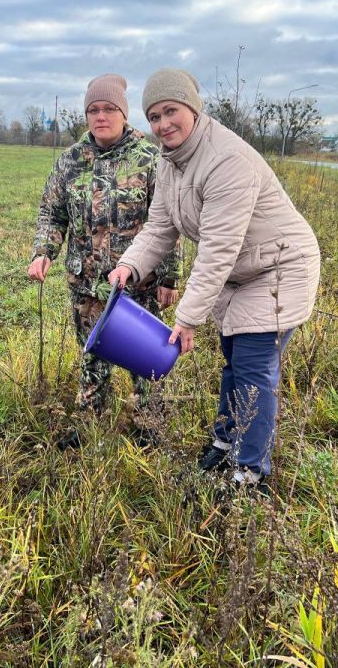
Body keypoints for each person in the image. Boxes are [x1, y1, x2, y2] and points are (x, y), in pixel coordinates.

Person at [109, 69, 320, 493]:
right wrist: (128, 266)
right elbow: (158, 229)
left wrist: (185, 319)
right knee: (232, 360)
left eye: (171, 111)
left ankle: (250, 472)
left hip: (279, 270)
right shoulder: (172, 163)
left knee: (253, 371)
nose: (163, 124)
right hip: (242, 273)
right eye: (154, 116)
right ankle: (226, 442)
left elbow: (218, 250)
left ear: (193, 108)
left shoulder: (227, 160)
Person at [28, 73, 181, 449]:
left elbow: (167, 223)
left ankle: (148, 427)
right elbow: (52, 212)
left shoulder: (150, 159)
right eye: (93, 109)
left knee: (143, 357)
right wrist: (43, 251)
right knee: (92, 355)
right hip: (86, 282)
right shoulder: (70, 161)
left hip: (137, 283)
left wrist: (169, 277)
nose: (101, 116)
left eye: (109, 109)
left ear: (124, 114)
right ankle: (88, 424)